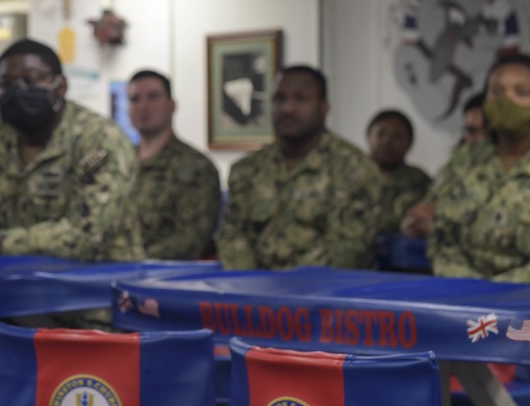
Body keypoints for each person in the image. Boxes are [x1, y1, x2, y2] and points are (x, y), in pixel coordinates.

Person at [426, 53, 530, 406]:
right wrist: (472, 289)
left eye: (521, 92)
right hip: (467, 316)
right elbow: (441, 238)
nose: (506, 99)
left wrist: (504, 291)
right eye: (496, 91)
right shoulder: (464, 163)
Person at [0, 39, 143, 262]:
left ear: (61, 87)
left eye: (31, 80)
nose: (18, 92)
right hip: (11, 281)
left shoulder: (100, 140)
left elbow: (87, 236)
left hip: (96, 285)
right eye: (5, 85)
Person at [217, 65, 383, 270]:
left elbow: (348, 249)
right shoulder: (246, 170)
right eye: (279, 99)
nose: (288, 108)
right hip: (252, 294)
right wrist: (252, 286)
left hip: (323, 295)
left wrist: (284, 288)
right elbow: (233, 236)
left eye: (301, 98)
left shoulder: (354, 169)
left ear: (324, 107)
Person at [127, 69, 220, 259]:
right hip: (109, 272)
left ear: (171, 106)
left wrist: (130, 258)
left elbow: (191, 239)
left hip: (166, 277)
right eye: (135, 99)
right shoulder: (118, 161)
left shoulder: (196, 167)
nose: (142, 107)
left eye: (153, 97)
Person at [401, 91, 486, 238]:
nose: (479, 139)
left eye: (487, 131)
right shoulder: (455, 166)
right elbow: (427, 207)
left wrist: (441, 222)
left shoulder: (518, 169)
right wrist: (414, 221)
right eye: (471, 131)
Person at [365, 109, 431, 235]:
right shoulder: (349, 175)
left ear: (409, 142)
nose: (387, 141)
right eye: (380, 134)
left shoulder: (419, 181)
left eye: (397, 136)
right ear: (369, 137)